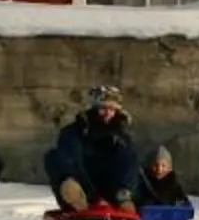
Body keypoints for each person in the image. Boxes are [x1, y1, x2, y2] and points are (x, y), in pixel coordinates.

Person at [44, 83, 142, 212]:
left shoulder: (121, 139)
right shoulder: (73, 132)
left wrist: (123, 190)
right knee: (55, 157)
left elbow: (128, 167)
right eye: (103, 108)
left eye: (112, 110)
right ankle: (77, 199)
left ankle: (123, 199)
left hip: (111, 191)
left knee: (128, 155)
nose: (107, 113)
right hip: (83, 187)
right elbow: (73, 161)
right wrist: (92, 196)